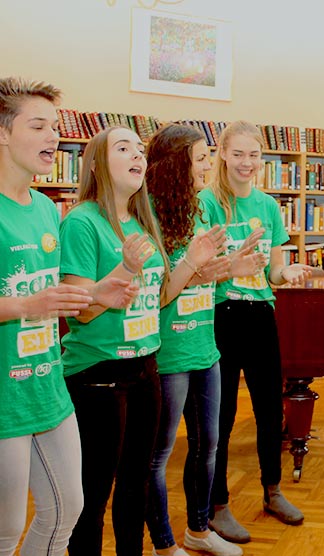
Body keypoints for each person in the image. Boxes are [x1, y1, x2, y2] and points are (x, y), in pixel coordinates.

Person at [60, 125, 223, 555]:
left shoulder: (142, 221)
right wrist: (126, 269)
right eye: (123, 148)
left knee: (135, 485)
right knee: (94, 491)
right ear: (98, 164)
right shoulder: (82, 221)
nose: (137, 155)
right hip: (98, 373)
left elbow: (160, 297)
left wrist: (192, 261)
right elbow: (81, 309)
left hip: (146, 365)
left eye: (139, 149)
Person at [0, 77, 138, 556]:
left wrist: (97, 291)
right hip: (5, 395)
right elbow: (31, 300)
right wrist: (24, 307)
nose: (53, 137)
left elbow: (52, 296)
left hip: (49, 386)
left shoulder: (44, 208)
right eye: (38, 126)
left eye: (55, 127)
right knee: (5, 530)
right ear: (3, 133)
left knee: (66, 511)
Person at [145, 124, 263, 556]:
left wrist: (232, 266)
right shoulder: (148, 216)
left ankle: (198, 529)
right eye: (200, 158)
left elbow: (203, 278)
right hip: (168, 353)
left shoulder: (201, 211)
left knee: (208, 446)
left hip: (204, 348)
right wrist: (195, 263)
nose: (207, 166)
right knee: (158, 455)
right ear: (176, 164)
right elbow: (158, 295)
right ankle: (163, 543)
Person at [198, 120, 313, 543]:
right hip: (221, 314)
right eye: (239, 154)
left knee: (269, 410)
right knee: (222, 415)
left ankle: (273, 491)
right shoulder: (207, 203)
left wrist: (288, 273)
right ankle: (218, 504)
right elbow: (199, 269)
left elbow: (274, 271)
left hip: (261, 312)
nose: (247, 163)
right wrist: (234, 266)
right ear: (223, 155)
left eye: (254, 155)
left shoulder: (267, 205)